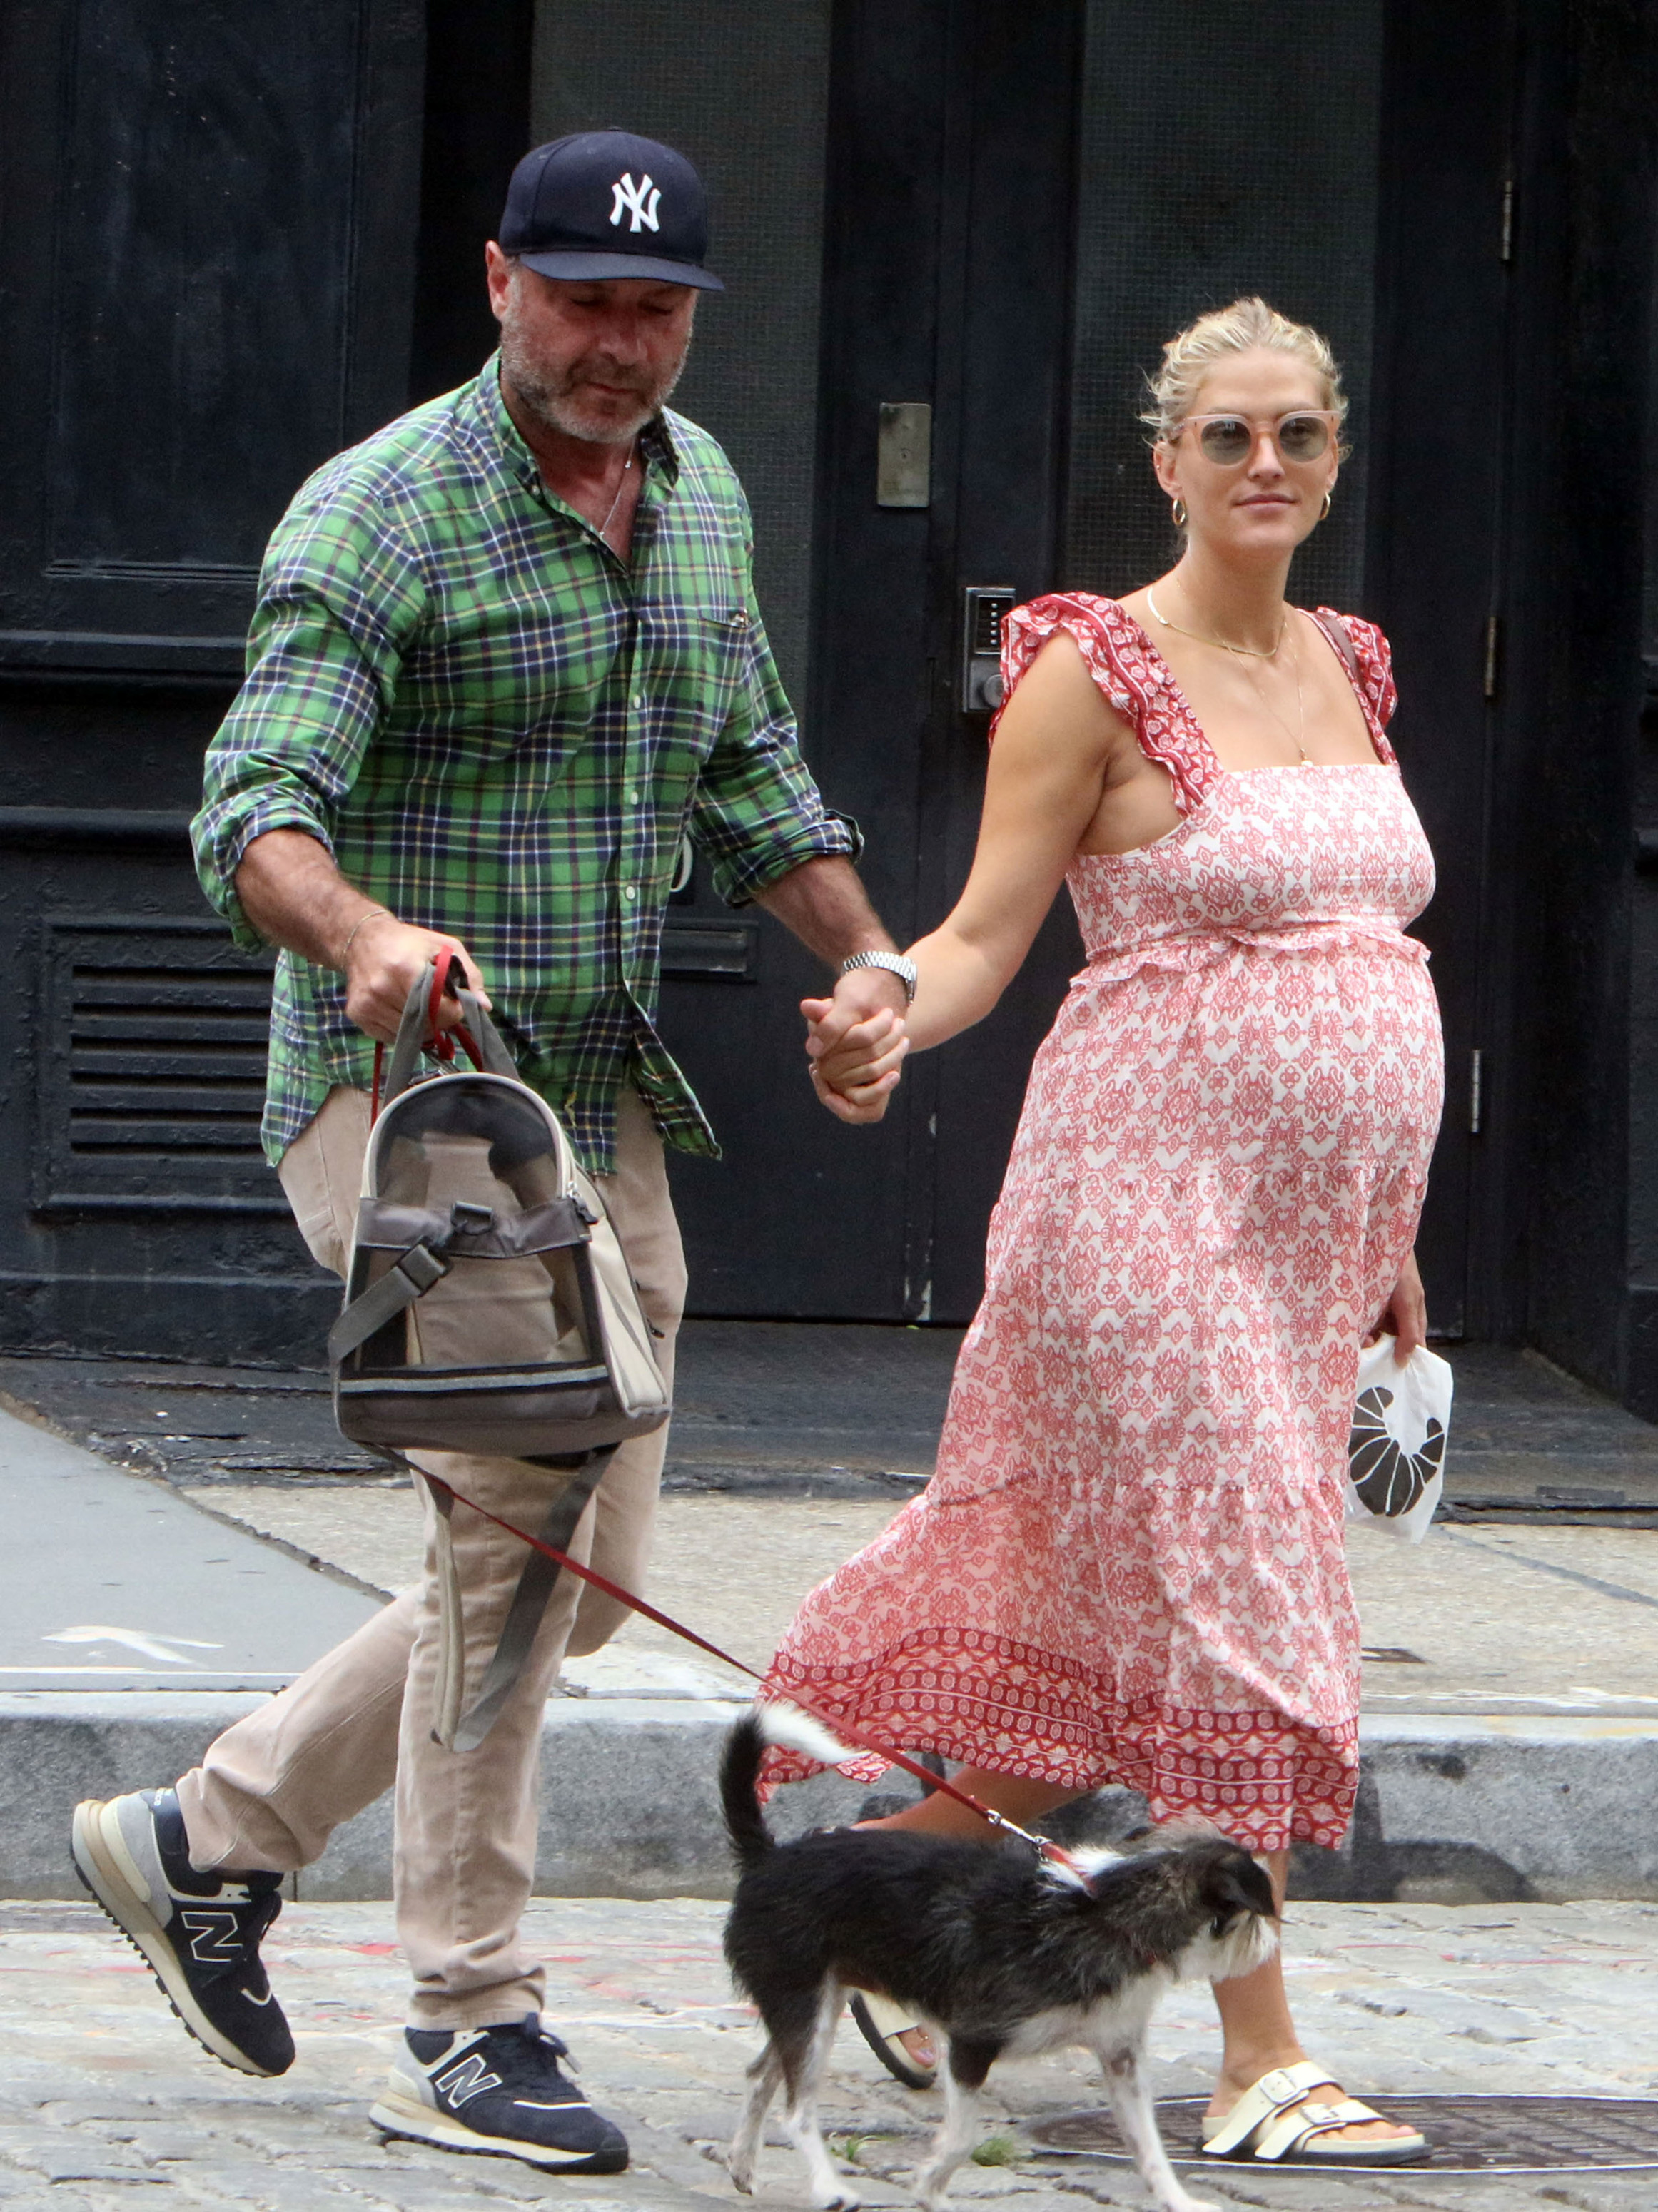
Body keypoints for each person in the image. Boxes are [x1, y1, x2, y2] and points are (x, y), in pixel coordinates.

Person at [69, 129, 912, 2176]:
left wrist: (870, 956)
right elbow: (249, 799)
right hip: (413, 1101)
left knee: (586, 1566)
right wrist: (359, 932)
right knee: (508, 1521)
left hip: (594, 1099)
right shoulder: (384, 512)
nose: (620, 344)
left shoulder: (695, 495)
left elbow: (751, 776)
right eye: (583, 300)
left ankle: (211, 1835)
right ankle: (465, 2013)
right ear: (497, 284)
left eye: (656, 310)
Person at [769, 297, 1442, 2171]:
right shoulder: (1092, 664)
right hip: (1137, 1198)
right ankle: (1260, 2051)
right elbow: (987, 926)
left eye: (1295, 434)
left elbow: (1367, 960)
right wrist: (885, 996)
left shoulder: (1352, 666)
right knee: (1250, 1613)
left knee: (1121, 1632)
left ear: (1330, 459)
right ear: (1164, 460)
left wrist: (1385, 1222)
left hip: (1302, 1233)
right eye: (1224, 436)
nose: (1261, 467)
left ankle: (865, 1905)